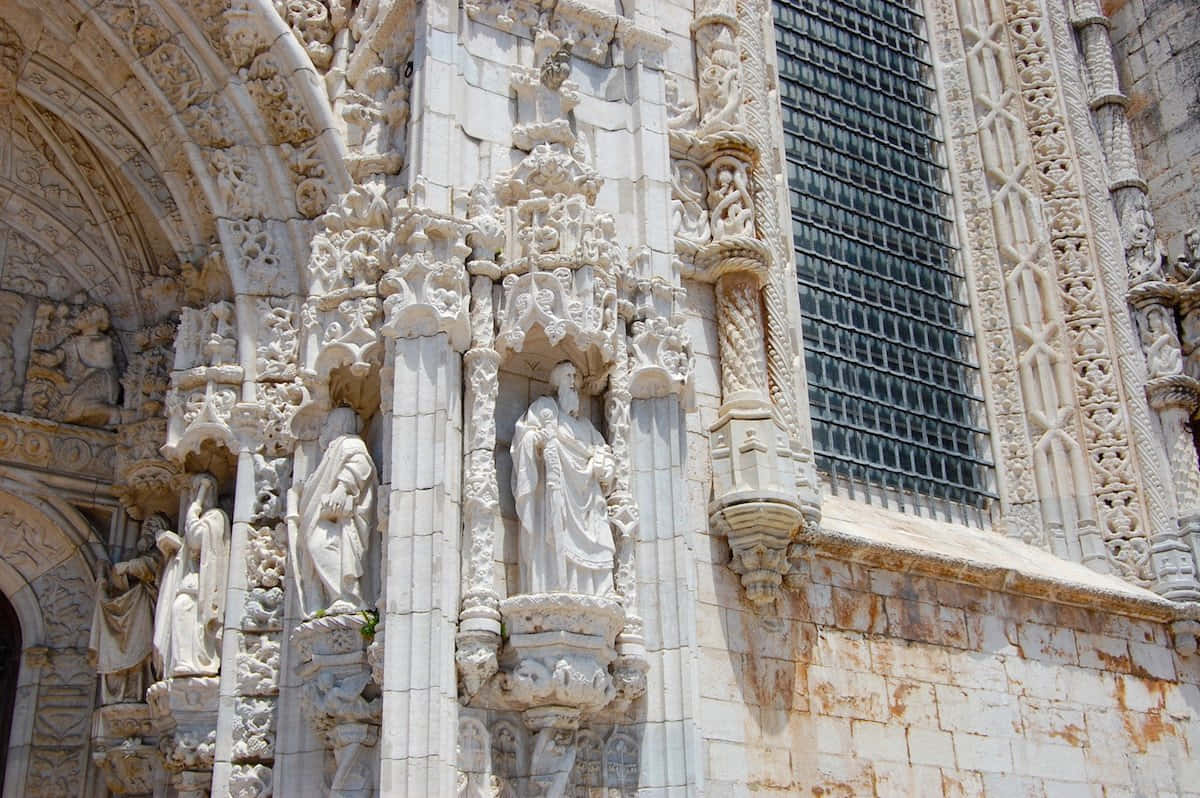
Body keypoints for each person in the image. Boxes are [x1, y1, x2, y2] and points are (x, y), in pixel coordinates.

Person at [511, 361, 616, 596]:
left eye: (575, 378)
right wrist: (538, 440)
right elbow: (524, 439)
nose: (572, 382)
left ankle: (595, 592)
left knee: (599, 539)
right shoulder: (544, 408)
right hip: (553, 496)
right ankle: (553, 586)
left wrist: (602, 464)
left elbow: (605, 453)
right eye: (567, 377)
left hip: (586, 501)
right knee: (554, 539)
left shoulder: (586, 427)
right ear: (556, 383)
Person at [294, 407, 377, 617]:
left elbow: (360, 464)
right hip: (331, 515)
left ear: (339, 425)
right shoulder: (333, 449)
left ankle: (347, 595)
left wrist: (342, 488)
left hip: (343, 517)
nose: (324, 429)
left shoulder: (350, 443)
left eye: (328, 424)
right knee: (318, 544)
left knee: (321, 543)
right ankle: (337, 596)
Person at [89, 518, 164, 703]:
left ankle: (138, 689)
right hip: (133, 607)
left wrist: (126, 567)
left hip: (146, 608)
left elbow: (150, 567)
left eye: (152, 527)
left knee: (142, 645)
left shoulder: (159, 553)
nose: (147, 531)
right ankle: (123, 687)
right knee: (110, 611)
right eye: (146, 527)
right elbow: (120, 579)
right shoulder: (138, 554)